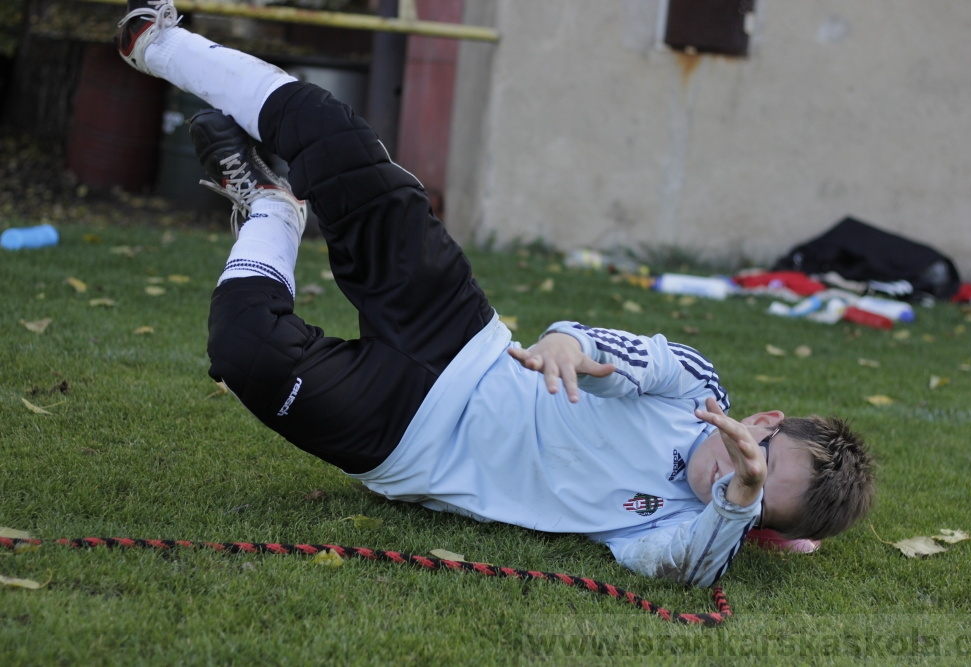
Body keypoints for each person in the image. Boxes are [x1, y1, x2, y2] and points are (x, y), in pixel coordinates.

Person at [116, 1, 875, 587]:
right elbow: (628, 357)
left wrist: (738, 500)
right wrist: (568, 346)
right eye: (761, 453)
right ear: (766, 419)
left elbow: (685, 571)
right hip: (461, 335)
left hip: (405, 441)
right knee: (342, 145)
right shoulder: (699, 389)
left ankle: (275, 212)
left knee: (244, 347)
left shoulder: (677, 530)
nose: (740, 468)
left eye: (756, 495)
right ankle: (158, 41)